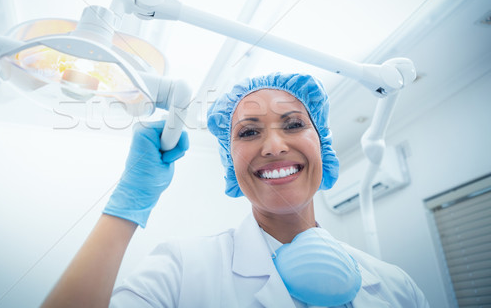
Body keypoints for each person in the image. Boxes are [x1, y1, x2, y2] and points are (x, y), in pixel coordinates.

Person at [42, 72, 430, 307]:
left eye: (293, 124)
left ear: (322, 145)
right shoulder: (181, 272)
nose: (275, 145)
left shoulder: (398, 288)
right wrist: (127, 205)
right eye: (249, 131)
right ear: (231, 161)